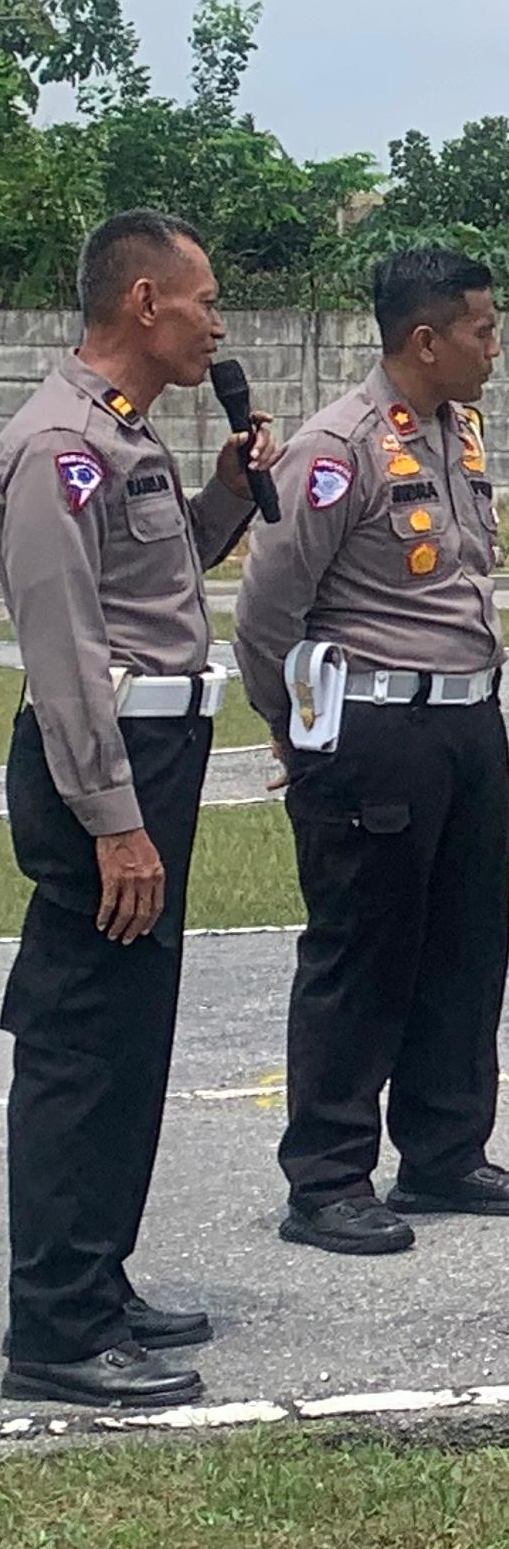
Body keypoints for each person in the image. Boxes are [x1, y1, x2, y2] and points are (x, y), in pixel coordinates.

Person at [0, 210, 275, 1409]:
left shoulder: (125, 437)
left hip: (154, 753)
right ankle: (53, 1324)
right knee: (79, 1044)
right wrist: (114, 818)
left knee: (128, 1042)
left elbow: (152, 594)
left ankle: (96, 1282)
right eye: (205, 298)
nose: (221, 323)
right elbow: (62, 652)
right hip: (101, 768)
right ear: (147, 304)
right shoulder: (56, 445)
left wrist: (223, 500)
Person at [235, 247, 509, 1256]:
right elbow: (265, 610)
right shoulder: (341, 448)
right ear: (426, 340)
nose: (494, 348)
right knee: (363, 953)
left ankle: (445, 1151)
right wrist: (301, 732)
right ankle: (327, 1179)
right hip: (374, 730)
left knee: (464, 948)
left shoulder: (457, 436)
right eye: (482, 330)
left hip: (465, 721)